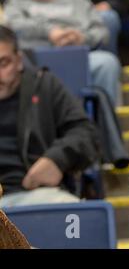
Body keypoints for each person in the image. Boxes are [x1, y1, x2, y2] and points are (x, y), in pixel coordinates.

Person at [3, 0, 122, 106]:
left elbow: (102, 32)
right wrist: (50, 32)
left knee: (107, 62)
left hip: (77, 56)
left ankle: (105, 123)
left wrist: (81, 37)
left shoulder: (79, 2)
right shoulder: (16, 3)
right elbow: (14, 25)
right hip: (33, 60)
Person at [0, 25, 99, 208]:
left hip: (37, 194)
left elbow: (86, 133)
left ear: (19, 60)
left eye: (3, 63)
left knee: (74, 220)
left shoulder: (44, 85)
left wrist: (57, 158)